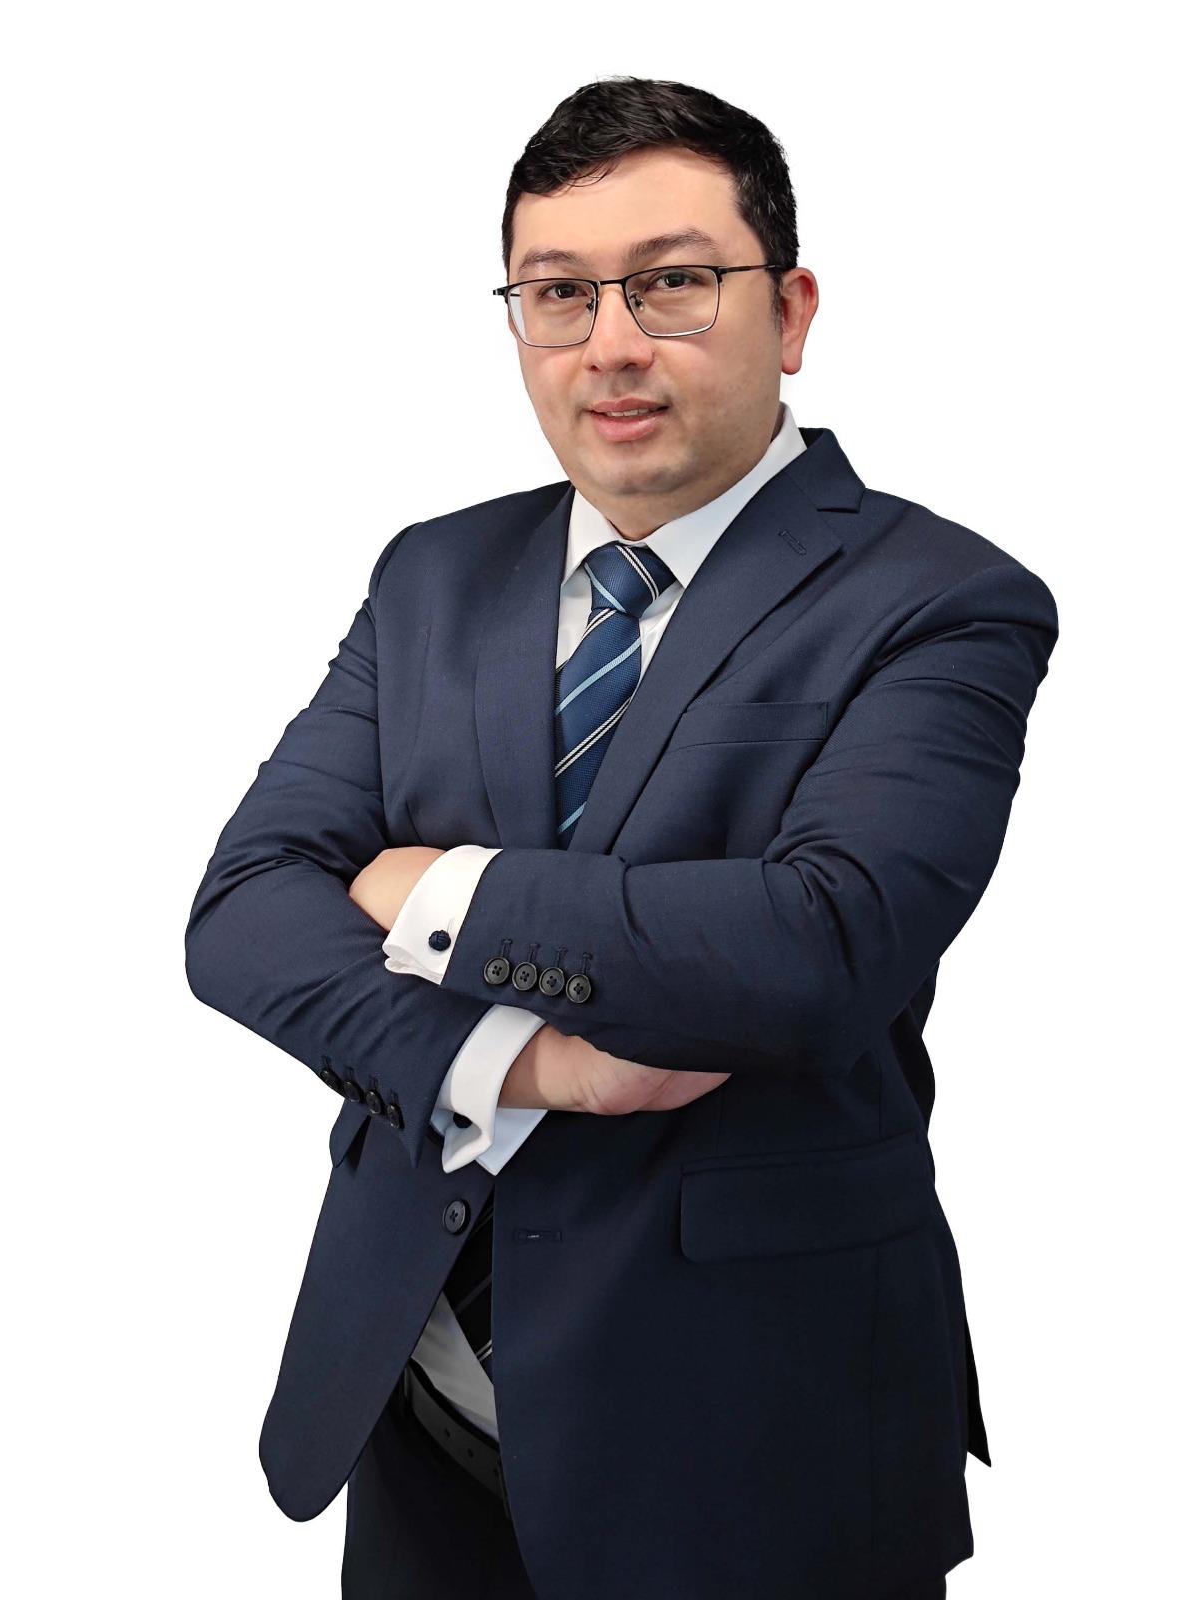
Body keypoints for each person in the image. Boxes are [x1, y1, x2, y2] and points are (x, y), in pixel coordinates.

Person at [185, 74, 1058, 1600]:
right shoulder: (433, 574)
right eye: (557, 293)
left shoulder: (938, 599)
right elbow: (244, 912)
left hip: (751, 1428)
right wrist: (524, 1064)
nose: (610, 342)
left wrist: (434, 888)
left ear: (788, 311)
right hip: (415, 1389)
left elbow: (818, 950)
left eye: (670, 283)